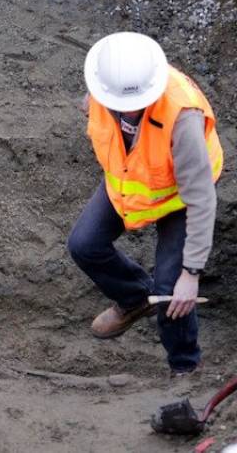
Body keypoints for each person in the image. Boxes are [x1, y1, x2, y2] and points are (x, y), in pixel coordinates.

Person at [68, 32, 222, 376]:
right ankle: (136, 297)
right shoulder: (105, 87)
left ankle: (185, 369)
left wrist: (191, 273)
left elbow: (201, 200)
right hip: (132, 180)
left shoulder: (183, 118)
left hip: (181, 196)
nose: (125, 110)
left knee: (171, 294)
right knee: (85, 245)